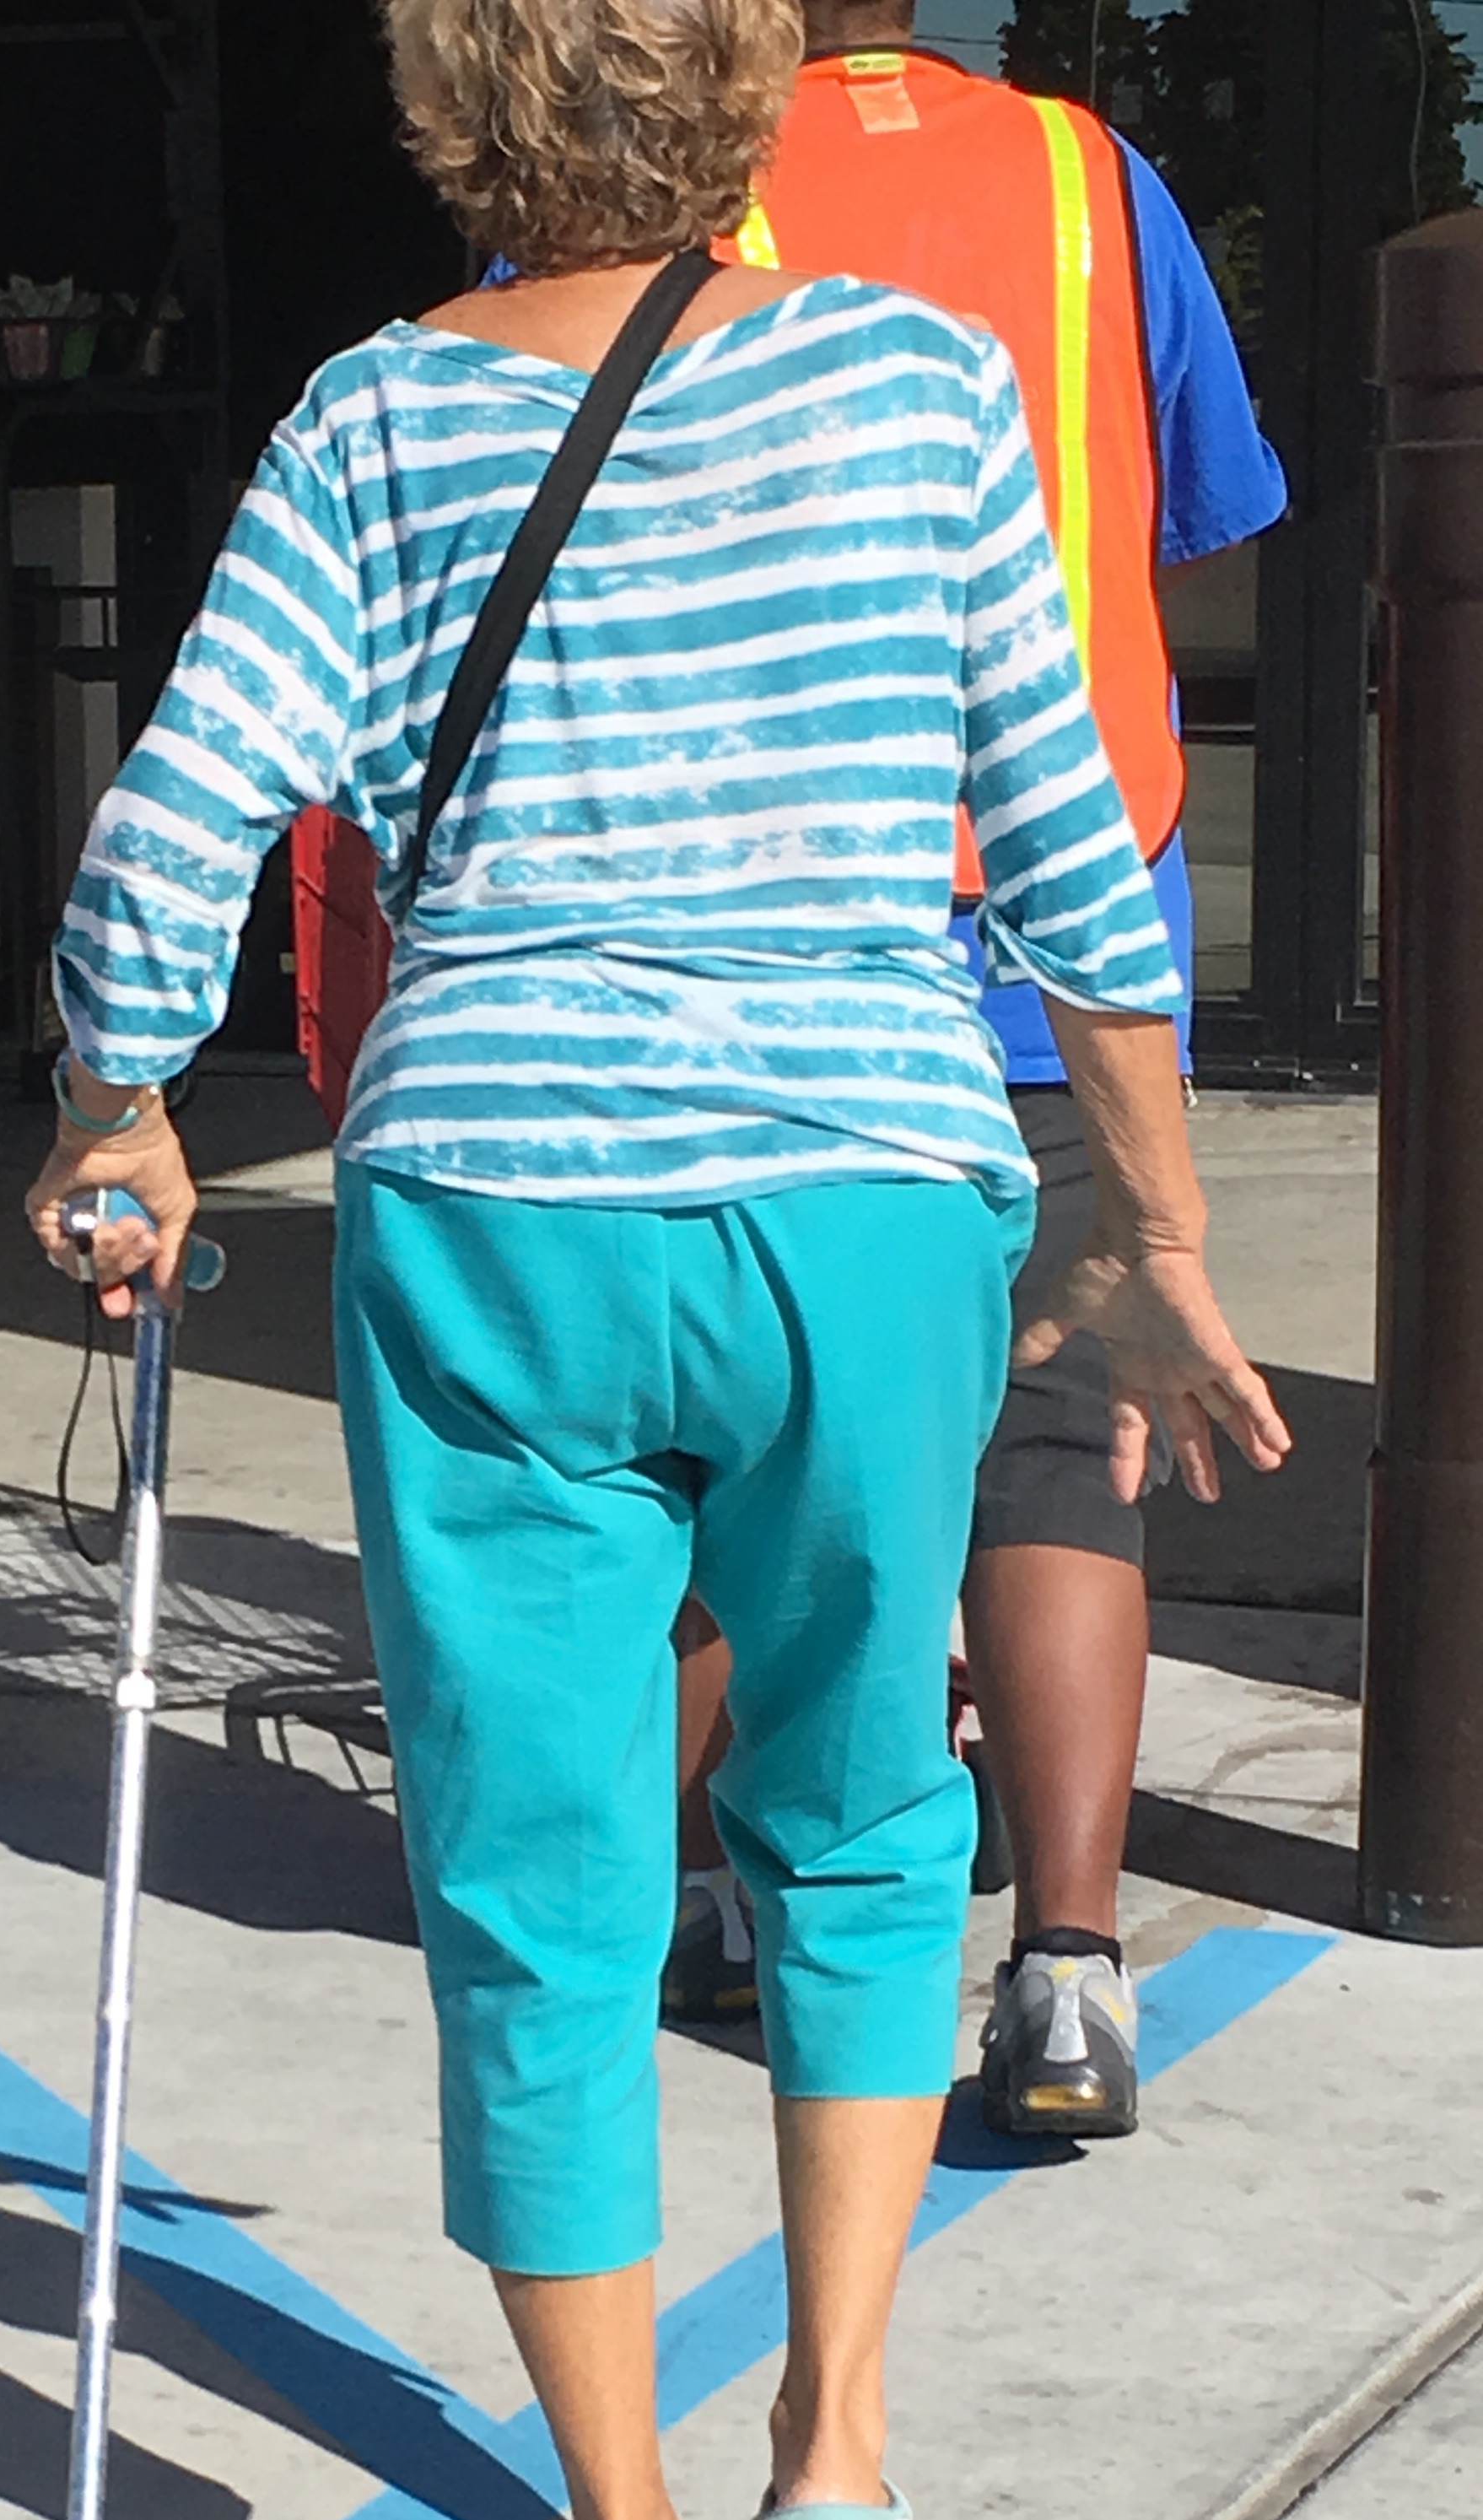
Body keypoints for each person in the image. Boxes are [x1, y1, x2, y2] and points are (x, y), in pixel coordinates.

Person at [27, 0, 1285, 2520]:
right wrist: (1157, 1214)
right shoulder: (915, 384)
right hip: (854, 1184)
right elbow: (1071, 832)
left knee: (541, 1881)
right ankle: (833, 2452)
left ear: (442, 108)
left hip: (496, 1204)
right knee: (860, 1817)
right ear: (736, 92)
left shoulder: (370, 418)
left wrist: (120, 1090)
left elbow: (177, 822)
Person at [660, 0, 1290, 2146]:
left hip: (772, 916)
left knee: (741, 1425)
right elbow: (1196, 513)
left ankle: (740, 1907)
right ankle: (1071, 1978)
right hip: (1064, 915)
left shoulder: (653, 165)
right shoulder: (1085, 179)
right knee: (1063, 1430)